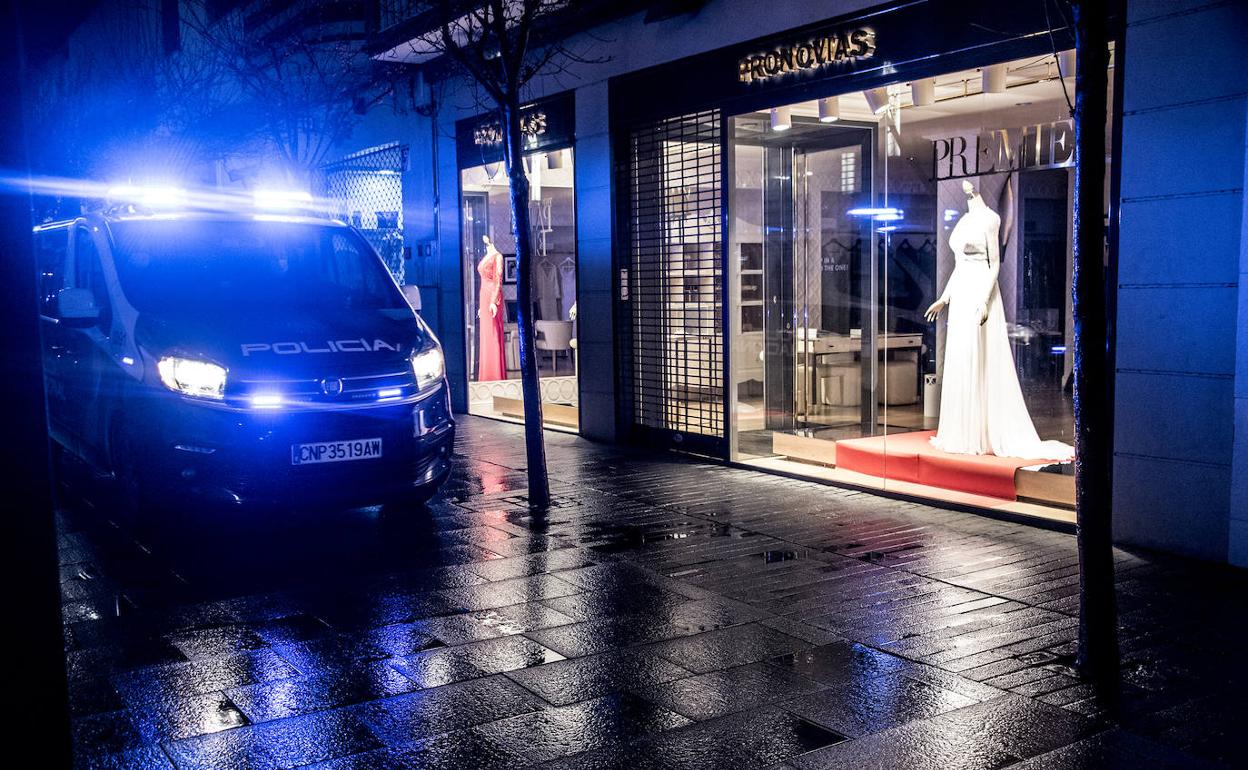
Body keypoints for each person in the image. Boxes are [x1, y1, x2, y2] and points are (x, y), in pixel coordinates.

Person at [924, 180, 1073, 461]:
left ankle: (982, 431)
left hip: (981, 294)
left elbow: (994, 264)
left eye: (970, 183)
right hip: (962, 296)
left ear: (977, 189)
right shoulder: (965, 220)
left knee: (980, 358)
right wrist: (945, 298)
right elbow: (959, 266)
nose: (966, 185)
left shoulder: (990, 219)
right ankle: (962, 431)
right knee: (962, 358)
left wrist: (983, 301)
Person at [477, 235, 506, 381]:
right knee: (486, 335)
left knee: (493, 334)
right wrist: (482, 306)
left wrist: (493, 301)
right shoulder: (486, 256)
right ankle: (486, 374)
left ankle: (494, 374)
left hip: (492, 296)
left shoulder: (497, 256)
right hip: (484, 296)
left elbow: (498, 280)